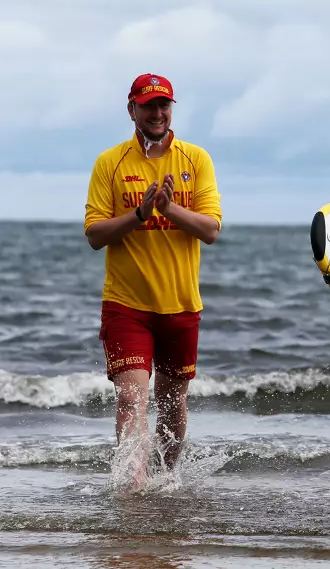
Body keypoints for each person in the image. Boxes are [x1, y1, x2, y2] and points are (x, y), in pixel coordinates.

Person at [83, 73, 223, 488]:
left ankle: (167, 479)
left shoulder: (195, 159)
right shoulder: (110, 162)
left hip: (180, 305)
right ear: (132, 111)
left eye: (164, 105)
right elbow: (94, 235)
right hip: (126, 305)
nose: (157, 113)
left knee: (172, 404)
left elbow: (211, 229)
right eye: (148, 106)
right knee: (130, 398)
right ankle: (133, 488)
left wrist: (168, 209)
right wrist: (140, 215)